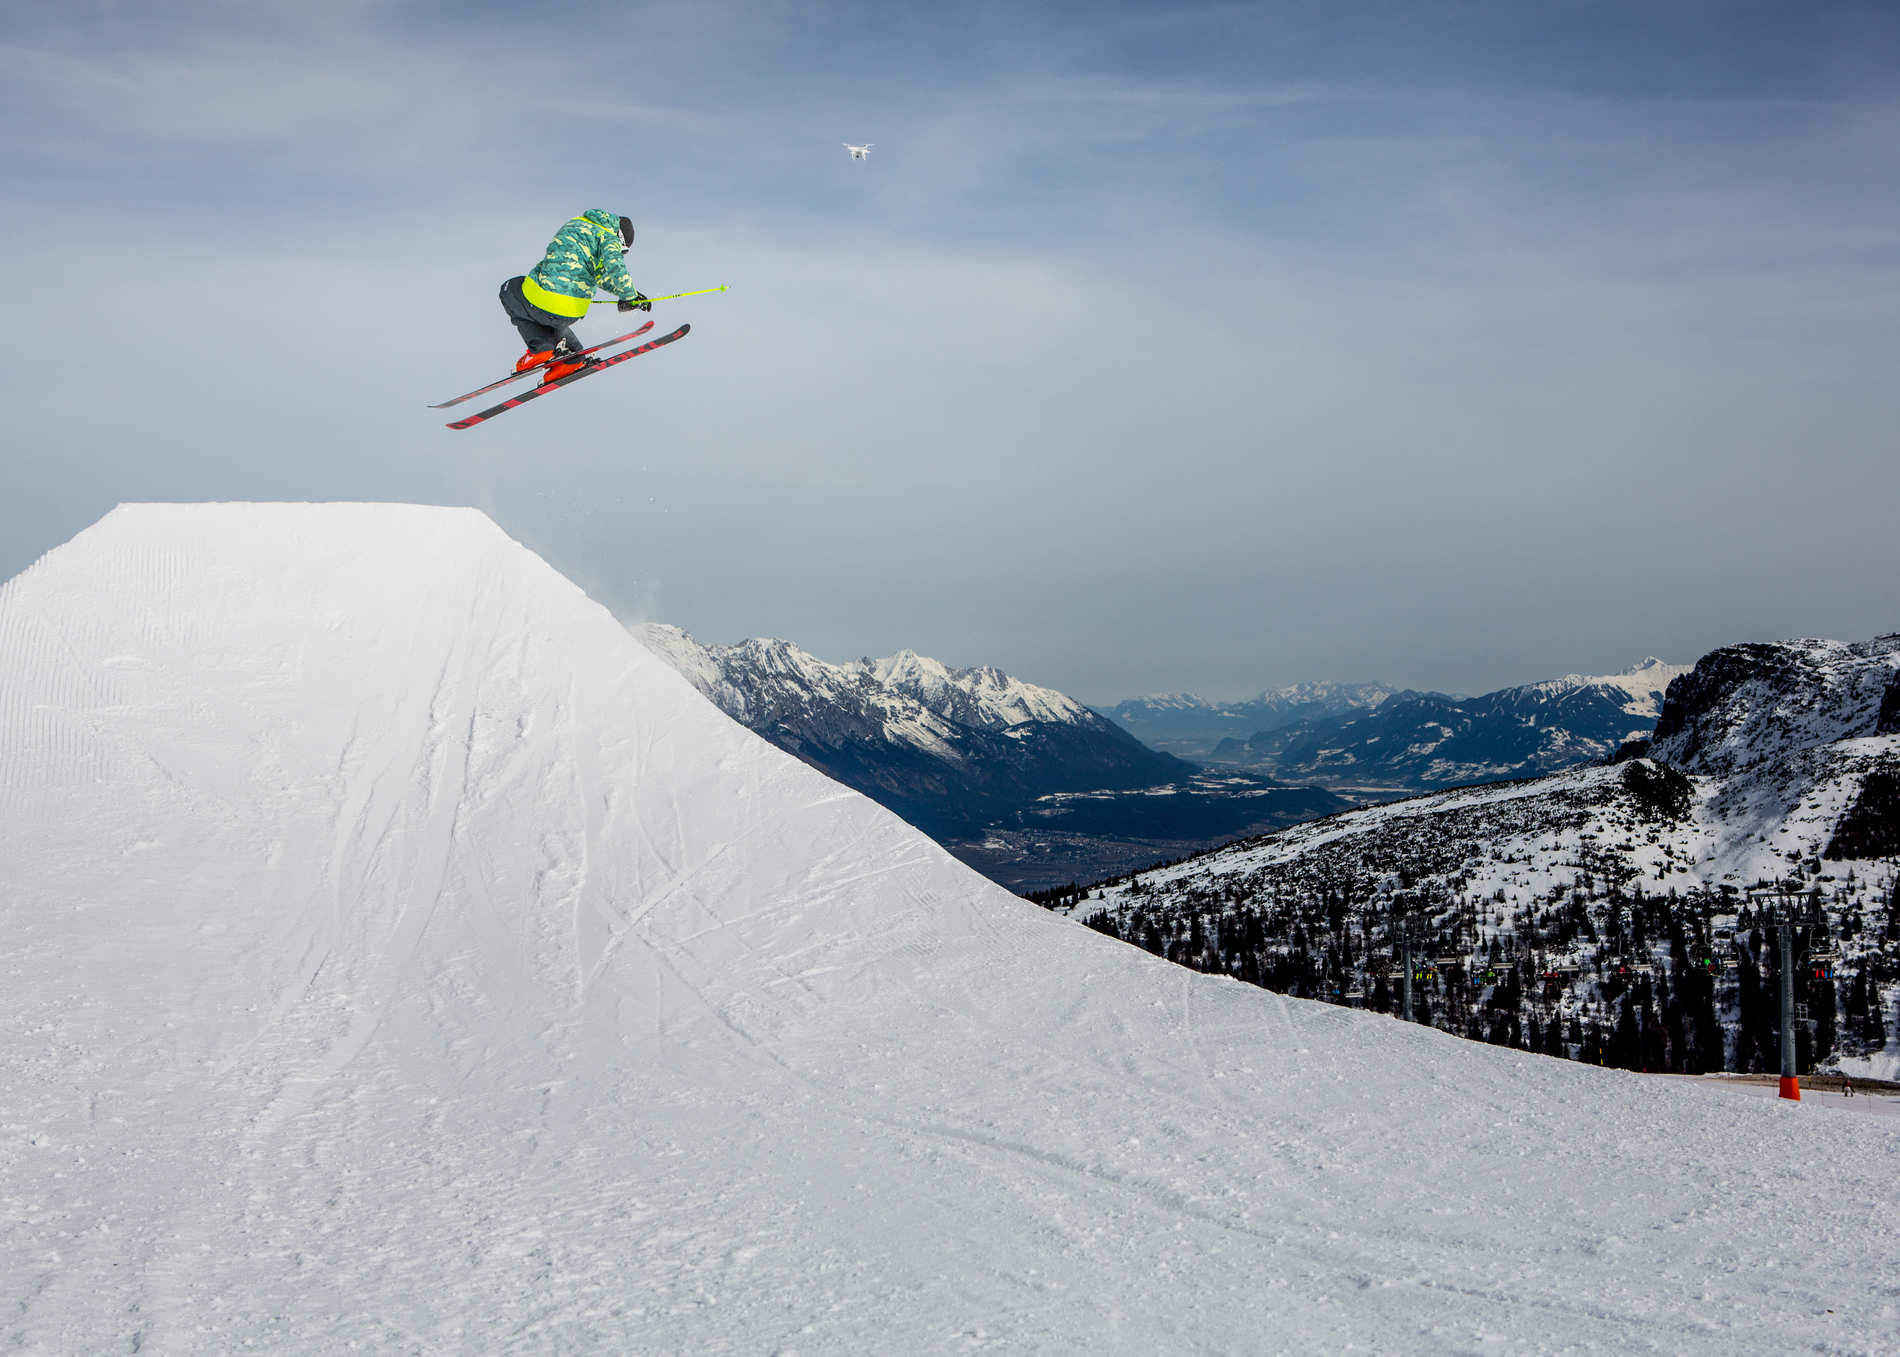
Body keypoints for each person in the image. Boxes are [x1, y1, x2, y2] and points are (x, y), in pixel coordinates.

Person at [500, 211, 651, 383]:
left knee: (511, 290)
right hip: (571, 311)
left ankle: (541, 349)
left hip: (546, 302)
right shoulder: (609, 236)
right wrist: (630, 295)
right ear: (620, 237)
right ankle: (572, 359)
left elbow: (603, 273)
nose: (620, 253)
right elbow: (613, 266)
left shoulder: (579, 224)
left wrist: (630, 294)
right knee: (525, 297)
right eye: (622, 250)